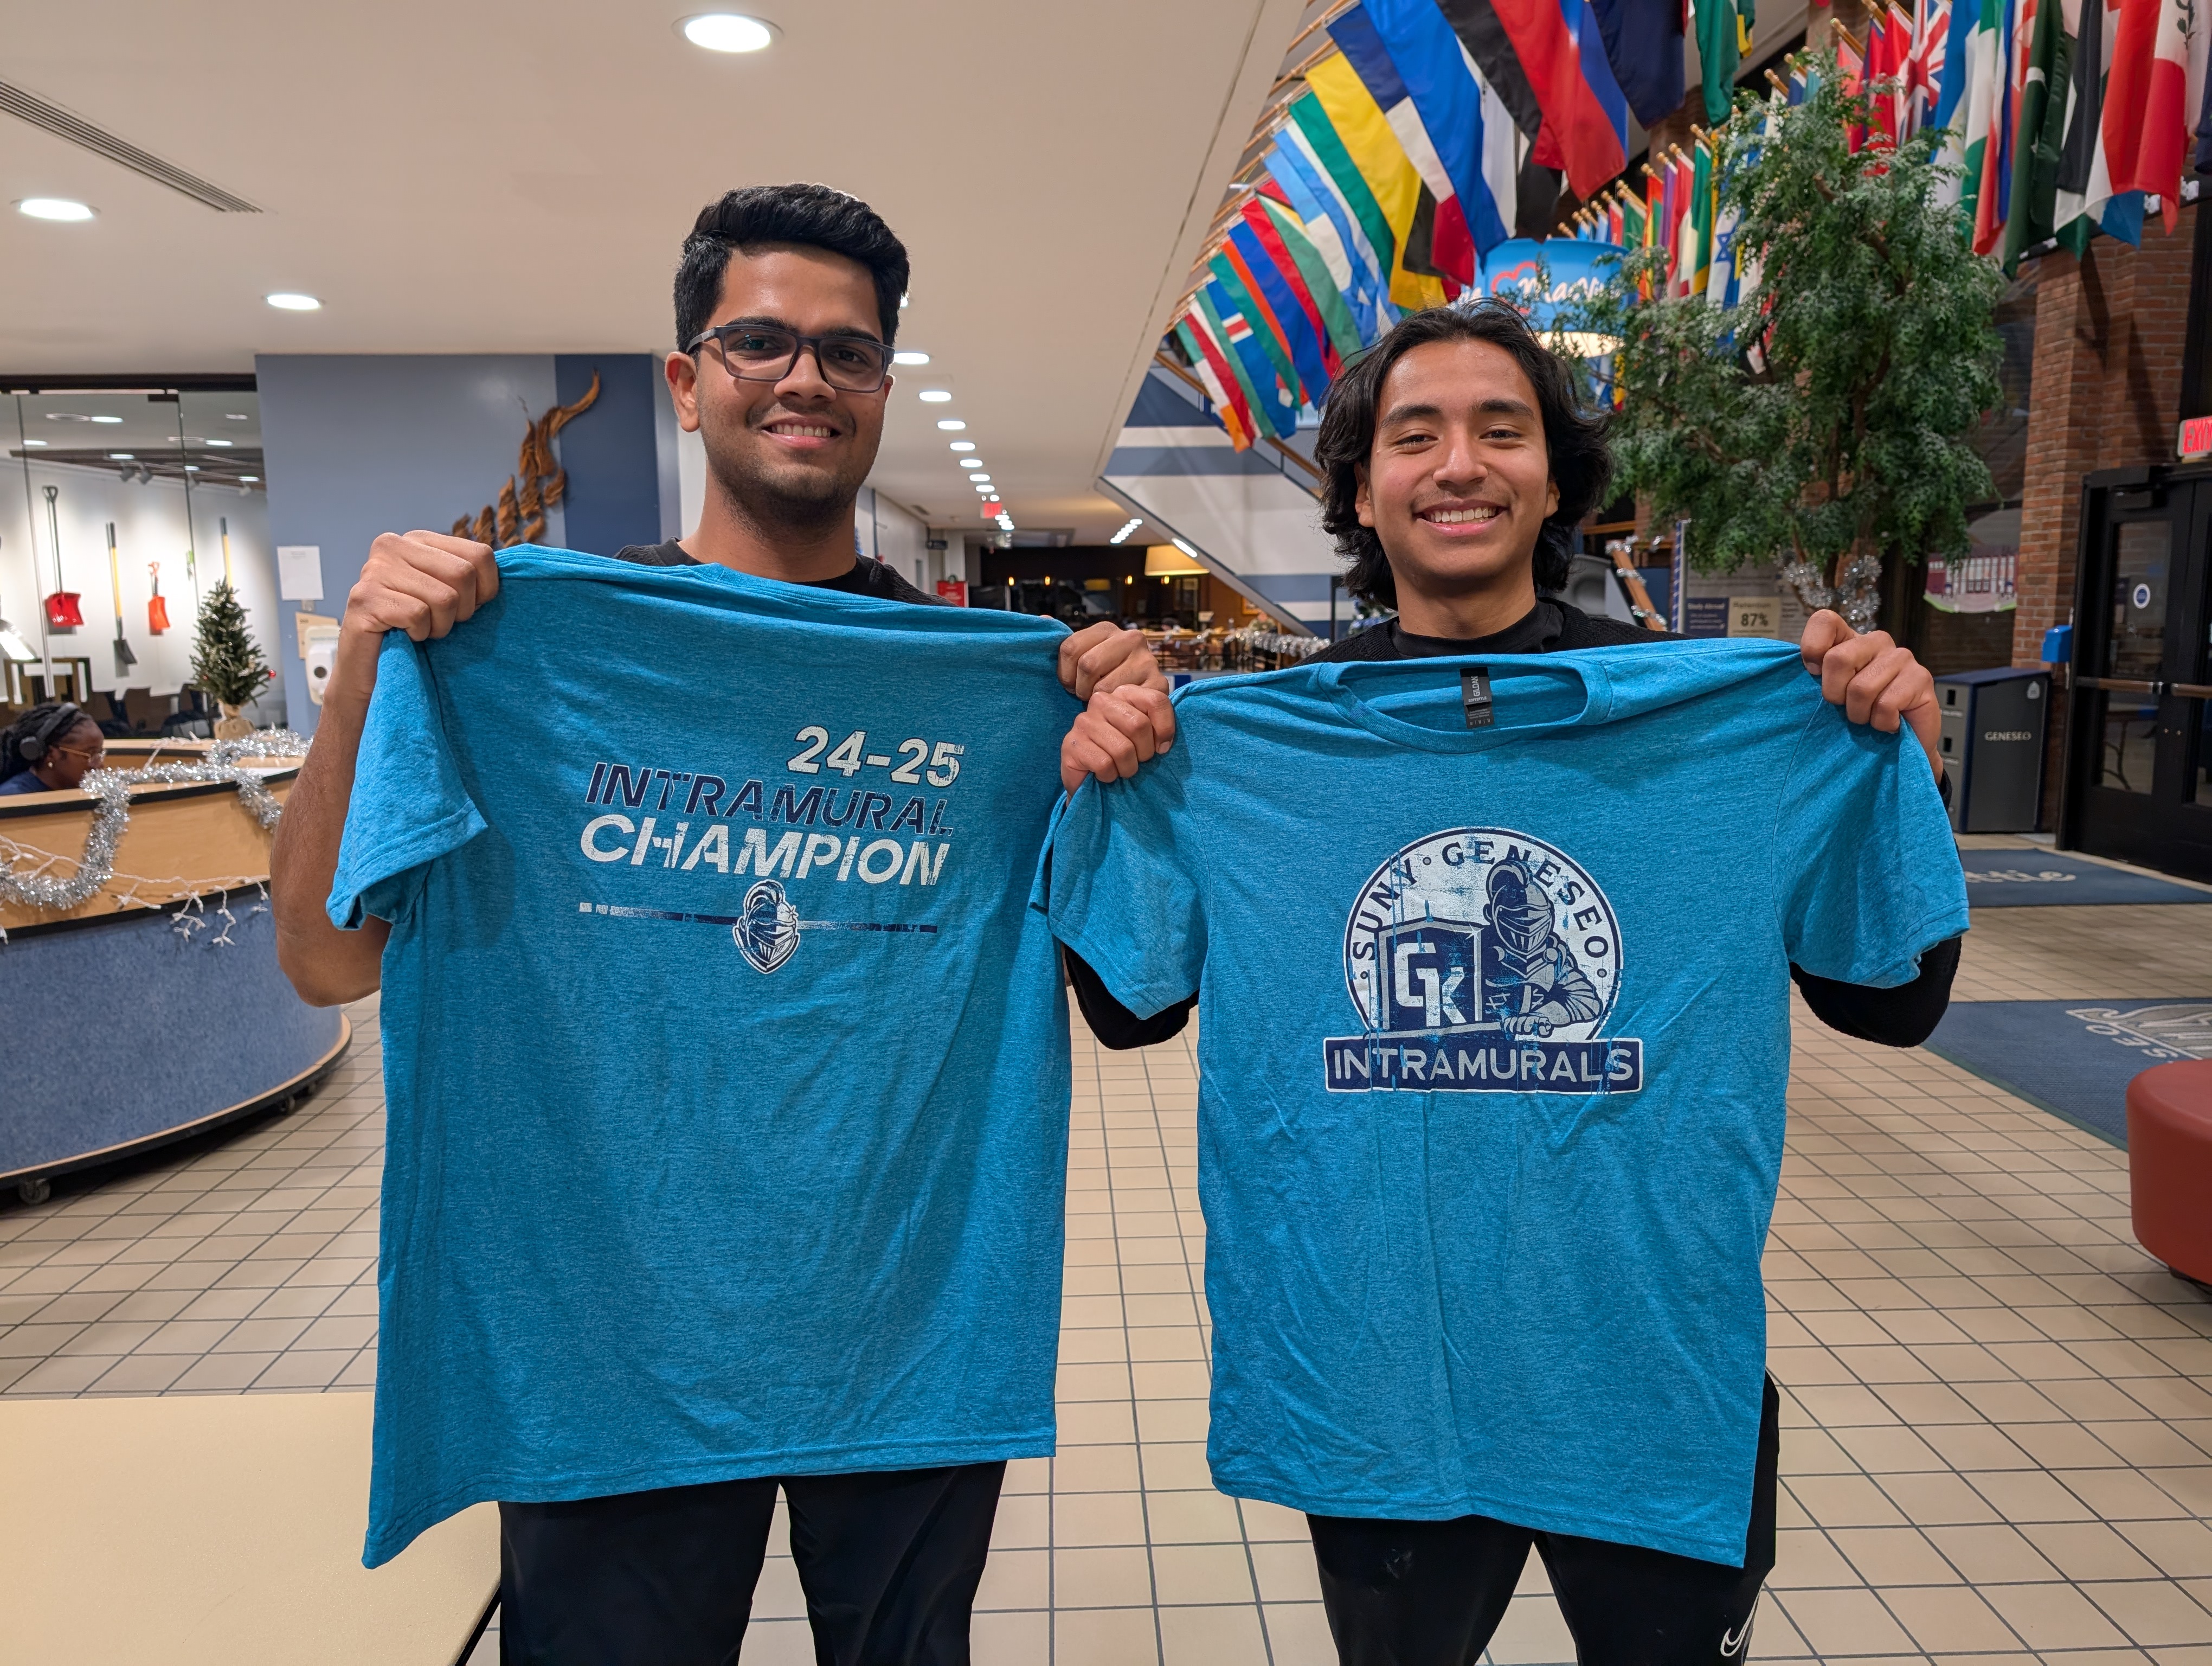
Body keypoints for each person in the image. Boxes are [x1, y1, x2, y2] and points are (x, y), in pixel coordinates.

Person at [269, 183, 1174, 1666]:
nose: (805, 376)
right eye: (760, 341)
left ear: (881, 389)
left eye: (848, 351)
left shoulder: (993, 689)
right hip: (603, 1331)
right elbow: (322, 962)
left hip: (903, 1317)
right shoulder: (521, 651)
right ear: (687, 383)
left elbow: (1141, 996)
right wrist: (366, 663)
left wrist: (1121, 768)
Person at [1056, 300, 1965, 1666]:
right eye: (1413, 435)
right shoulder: (1240, 745)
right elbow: (1128, 1008)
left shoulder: (1715, 717)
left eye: (1502, 430)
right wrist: (1109, 780)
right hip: (1377, 1381)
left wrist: (1894, 758)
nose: (1459, 464)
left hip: (1644, 1371)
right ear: (1361, 488)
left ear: (1553, 480)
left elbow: (1892, 1001)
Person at [0, 703, 106, 796]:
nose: (99, 765)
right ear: (51, 754)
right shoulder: (13, 799)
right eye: (90, 754)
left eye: (100, 753)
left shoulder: (74, 789)